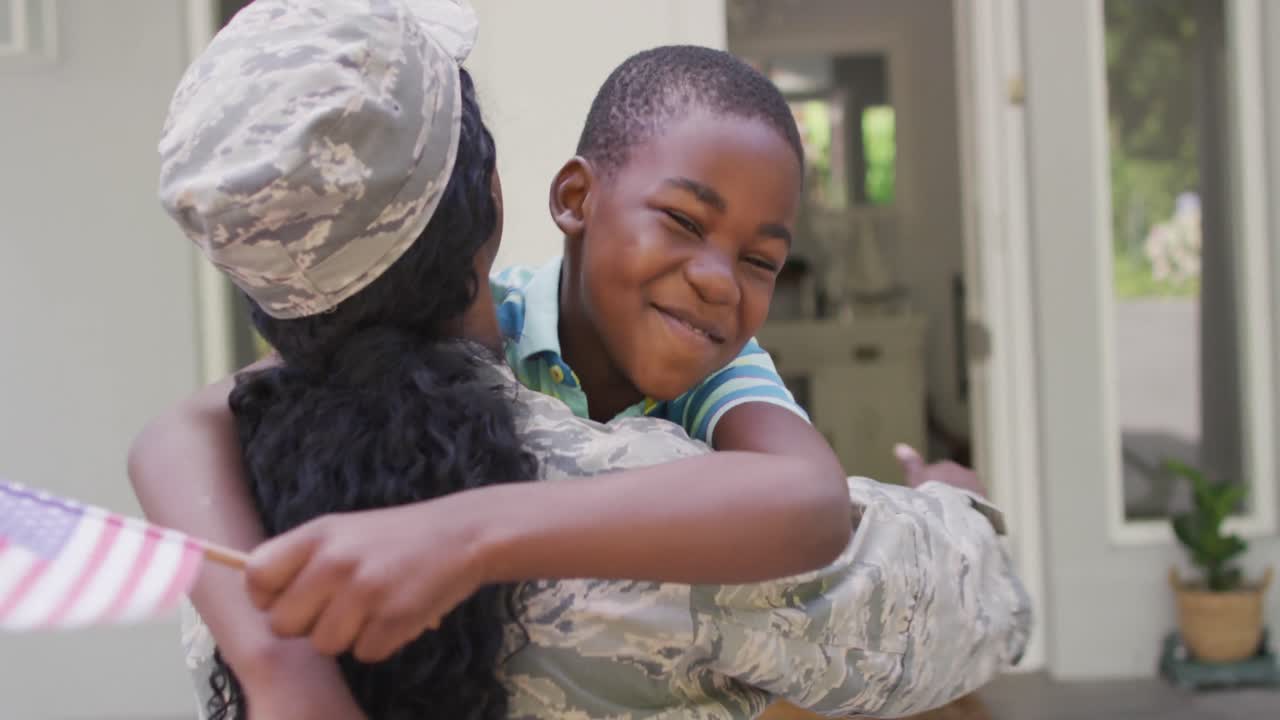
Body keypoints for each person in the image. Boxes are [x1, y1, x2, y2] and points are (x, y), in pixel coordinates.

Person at [145, 1, 1028, 717]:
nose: (717, 280)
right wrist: (956, 503)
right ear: (534, 198)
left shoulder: (247, 511)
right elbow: (947, 597)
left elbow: (806, 498)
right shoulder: (537, 348)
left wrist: (442, 548)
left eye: (761, 259)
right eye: (681, 221)